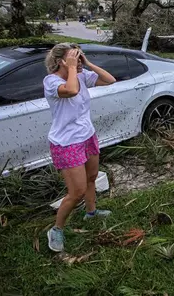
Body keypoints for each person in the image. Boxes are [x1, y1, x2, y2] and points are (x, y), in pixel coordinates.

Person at [43, 43, 116, 252]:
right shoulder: (51, 81)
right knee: (76, 192)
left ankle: (91, 212)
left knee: (92, 178)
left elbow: (110, 80)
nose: (77, 60)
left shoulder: (82, 75)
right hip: (67, 143)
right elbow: (71, 90)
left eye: (78, 56)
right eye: (72, 57)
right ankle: (56, 229)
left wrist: (87, 63)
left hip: (87, 136)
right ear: (60, 62)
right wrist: (73, 68)